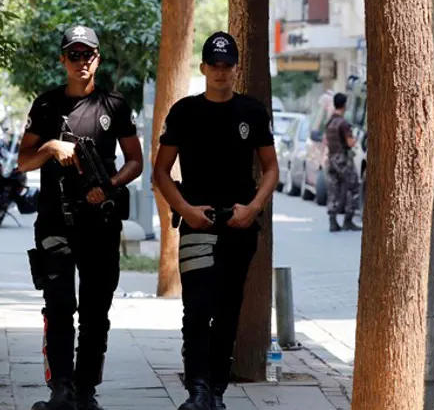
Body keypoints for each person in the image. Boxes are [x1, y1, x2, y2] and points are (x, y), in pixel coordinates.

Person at [18, 25, 143, 410]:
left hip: (100, 223)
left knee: (95, 311)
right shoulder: (45, 106)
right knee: (58, 306)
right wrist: (52, 146)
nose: (81, 62)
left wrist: (108, 187)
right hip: (55, 222)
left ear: (97, 59)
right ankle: (61, 391)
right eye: (73, 54)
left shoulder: (114, 106)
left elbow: (136, 161)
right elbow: (23, 162)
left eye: (87, 54)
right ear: (62, 60)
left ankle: (86, 392)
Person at [152, 31, 279, 410]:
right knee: (197, 310)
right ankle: (197, 391)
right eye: (214, 65)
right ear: (203, 67)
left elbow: (271, 168)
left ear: (235, 69)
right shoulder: (185, 112)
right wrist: (186, 210)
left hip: (239, 226)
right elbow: (160, 172)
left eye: (227, 66)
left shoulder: (252, 112)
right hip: (197, 226)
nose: (221, 72)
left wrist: (253, 208)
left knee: (227, 311)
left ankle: (217, 392)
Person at [324, 93, 361, 232]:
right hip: (342, 159)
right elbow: (350, 143)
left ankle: (332, 221)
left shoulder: (330, 122)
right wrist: (356, 137)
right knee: (353, 187)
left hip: (331, 158)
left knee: (333, 189)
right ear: (345, 105)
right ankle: (348, 220)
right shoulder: (343, 123)